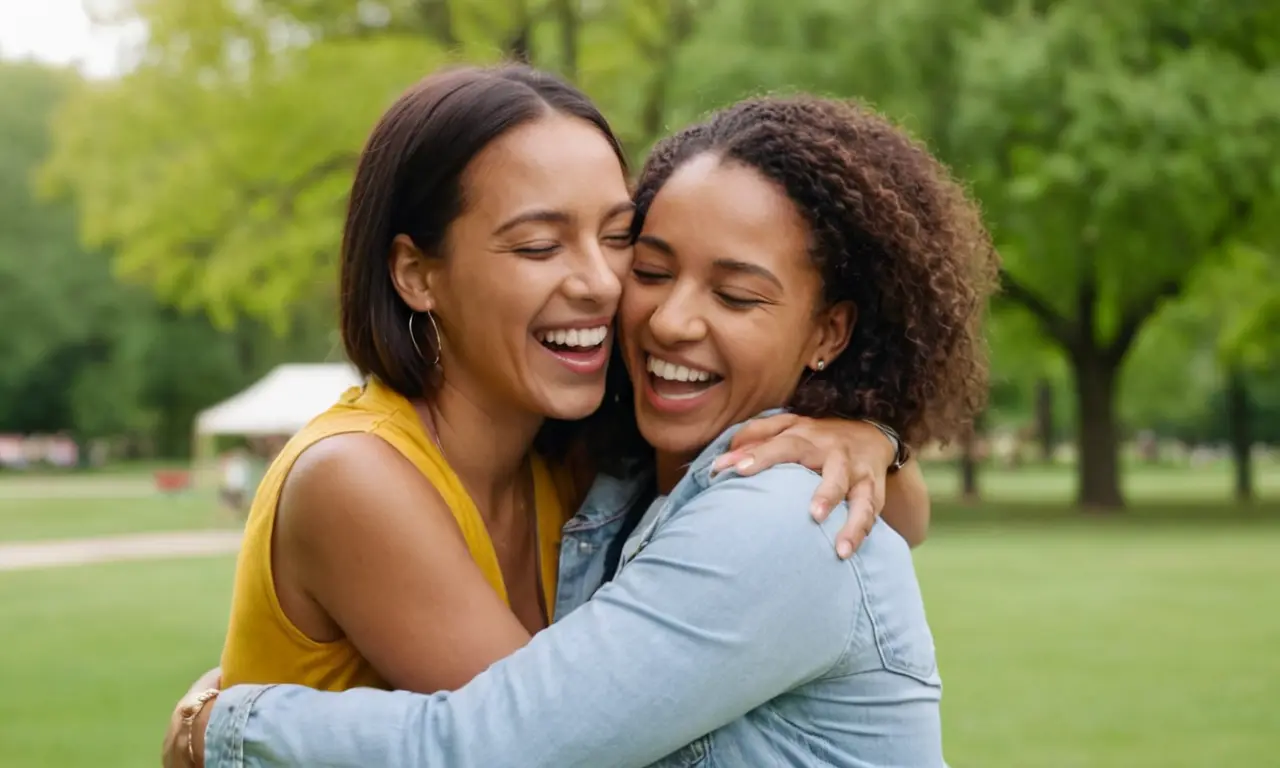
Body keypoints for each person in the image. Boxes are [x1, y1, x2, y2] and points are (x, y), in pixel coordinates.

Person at [168, 92, 996, 767]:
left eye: (615, 240)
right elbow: (517, 746)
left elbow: (518, 749)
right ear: (418, 273)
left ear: (830, 331)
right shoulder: (366, 477)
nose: (603, 285)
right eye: (539, 244)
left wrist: (871, 439)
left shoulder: (610, 469)